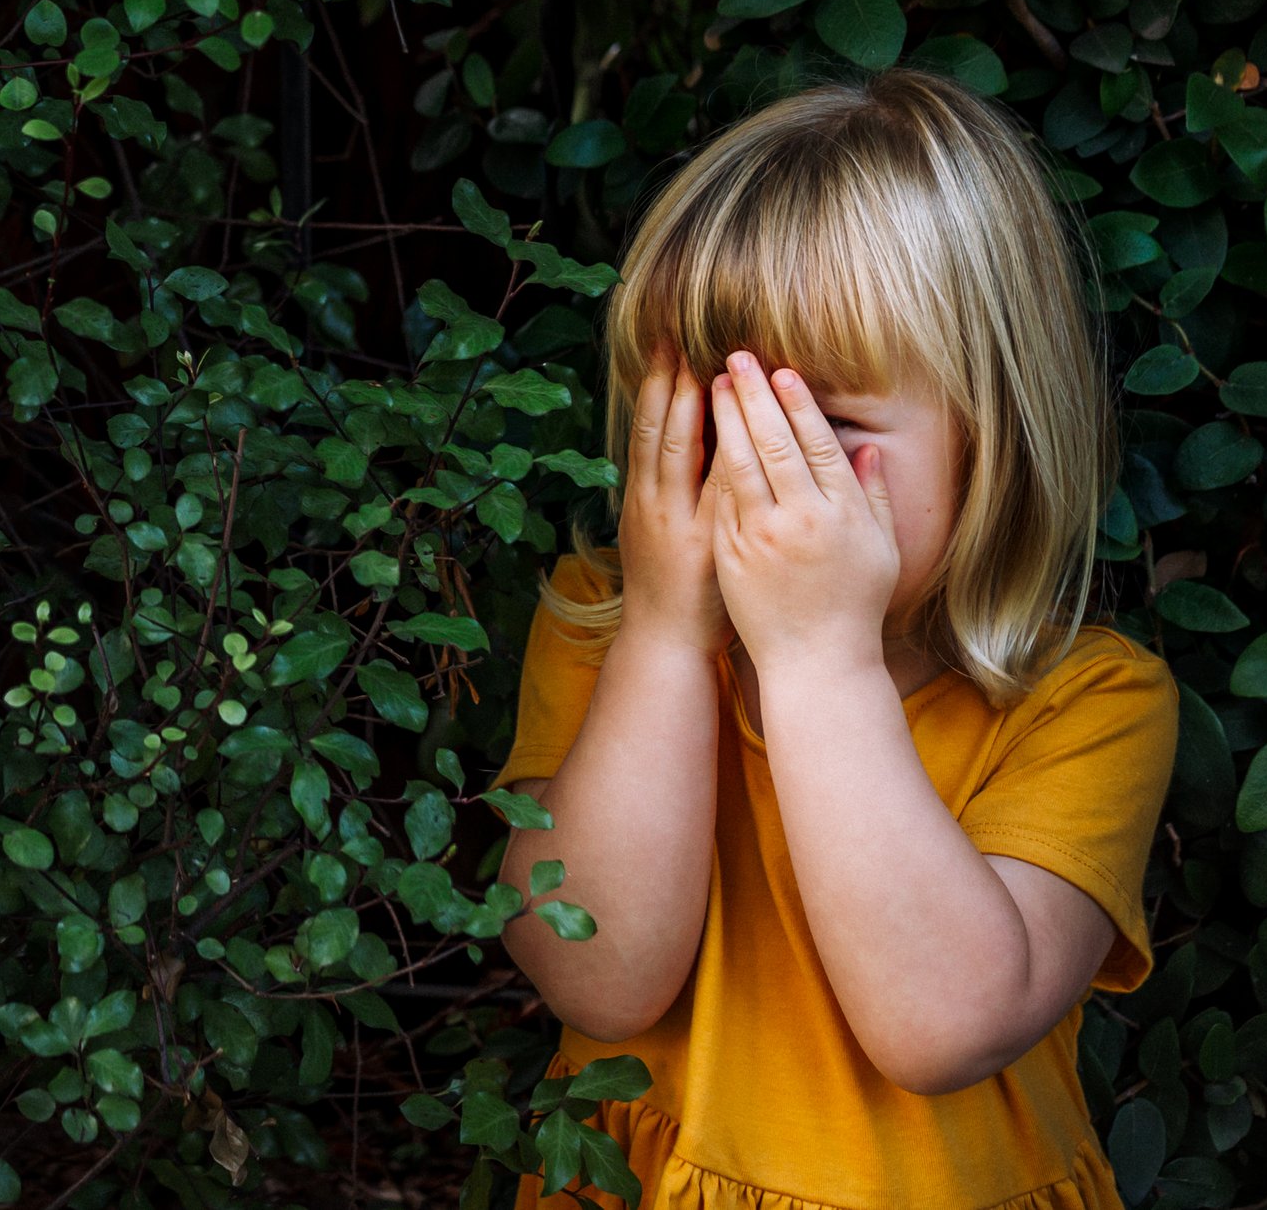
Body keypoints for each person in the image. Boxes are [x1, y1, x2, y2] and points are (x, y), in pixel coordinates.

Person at [491, 68, 1182, 1210]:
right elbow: (595, 976)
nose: (756, 472)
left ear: (995, 430)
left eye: (825, 427)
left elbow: (942, 1024)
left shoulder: (1086, 705)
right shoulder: (607, 624)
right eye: (718, 415)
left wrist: (819, 656)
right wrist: (666, 634)